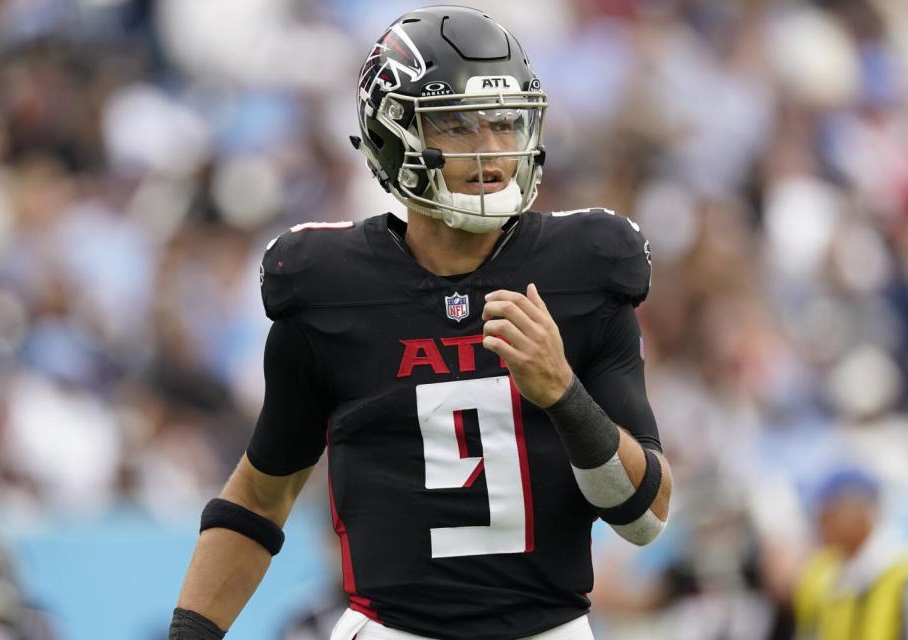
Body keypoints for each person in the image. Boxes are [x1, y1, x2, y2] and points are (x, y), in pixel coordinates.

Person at [169, 6, 673, 639]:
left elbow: (645, 518)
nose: (491, 150)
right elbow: (259, 498)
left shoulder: (585, 270)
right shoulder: (330, 290)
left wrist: (564, 396)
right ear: (392, 135)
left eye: (503, 122)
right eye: (458, 127)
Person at [793, 468, 908, 640]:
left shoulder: (899, 574)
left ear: (857, 514)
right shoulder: (828, 570)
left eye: (828, 516)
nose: (822, 527)